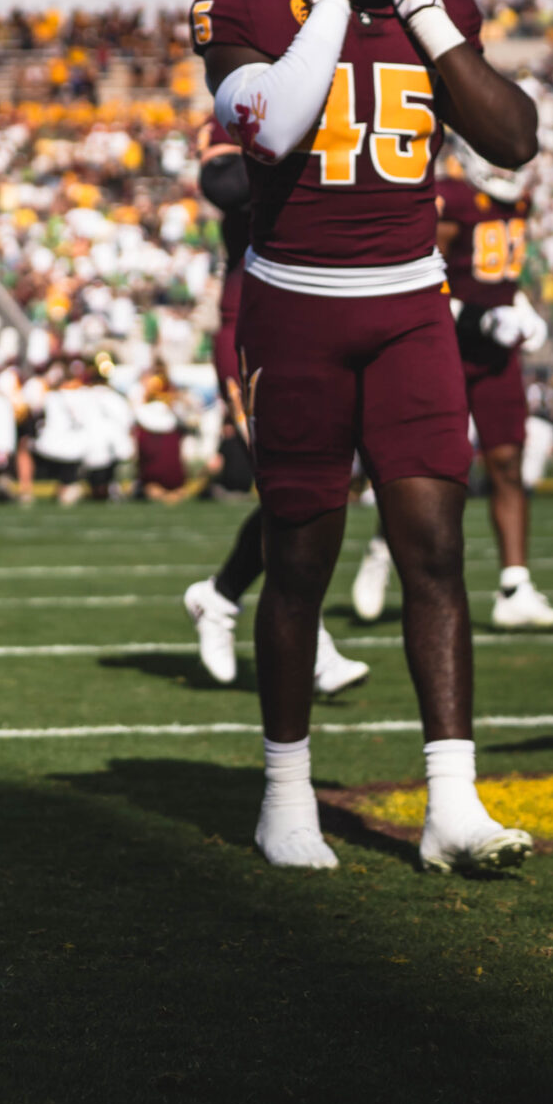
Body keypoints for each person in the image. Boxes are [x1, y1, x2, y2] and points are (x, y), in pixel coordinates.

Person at [194, 0, 540, 873]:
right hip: (295, 308)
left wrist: (429, 17)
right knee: (299, 555)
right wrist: (335, 4)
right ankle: (285, 792)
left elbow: (513, 142)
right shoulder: (245, 4)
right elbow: (277, 125)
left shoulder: (445, 9)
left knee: (436, 551)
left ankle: (452, 801)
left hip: (408, 311)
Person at [179, 119, 368, 694]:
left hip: (318, 313)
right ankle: (309, 642)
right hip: (257, 320)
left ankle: (220, 595)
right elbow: (223, 181)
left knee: (320, 488)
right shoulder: (260, 97)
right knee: (295, 491)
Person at [435, 140, 553, 629]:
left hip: (496, 351)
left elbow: (497, 276)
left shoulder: (519, 201)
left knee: (508, 461)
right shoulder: (450, 198)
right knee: (432, 470)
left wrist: (520, 306)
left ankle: (515, 585)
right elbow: (418, 280)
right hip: (441, 346)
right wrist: (475, 319)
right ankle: (385, 548)